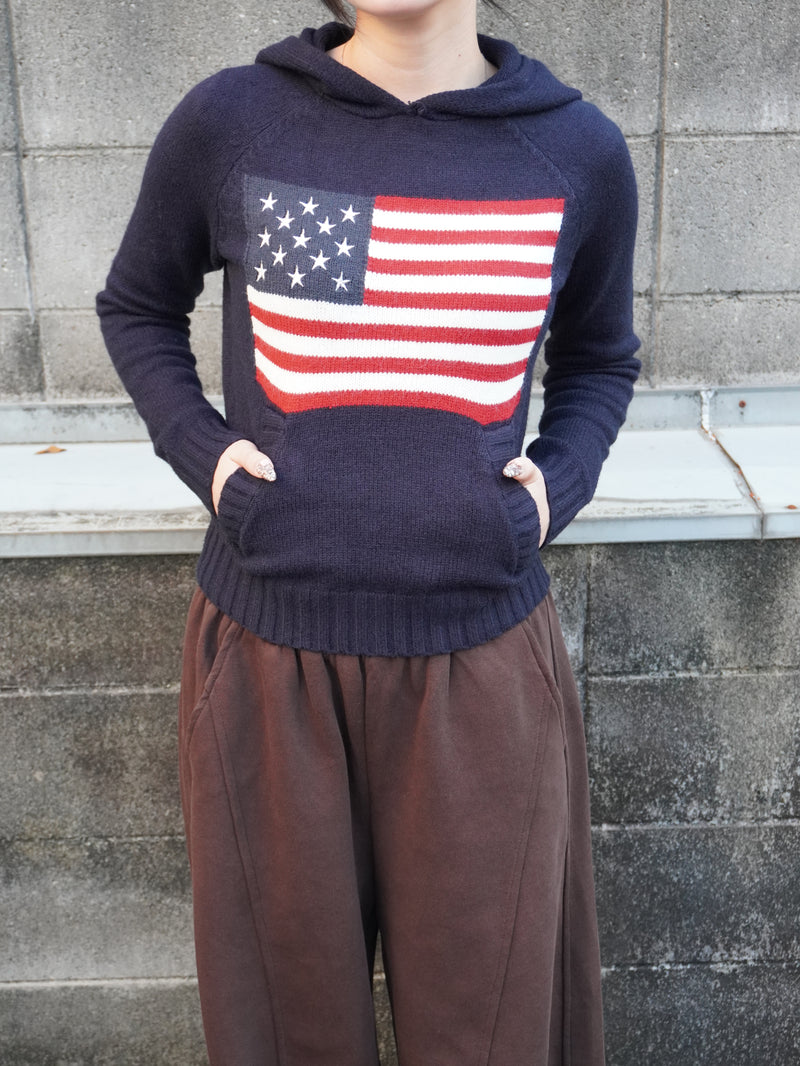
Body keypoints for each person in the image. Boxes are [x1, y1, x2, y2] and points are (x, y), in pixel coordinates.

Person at [97, 0, 640, 1062]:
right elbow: (137, 306)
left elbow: (599, 359)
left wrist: (550, 493)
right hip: (269, 664)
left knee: (490, 1029)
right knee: (284, 1028)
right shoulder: (235, 120)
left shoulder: (575, 150)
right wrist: (206, 455)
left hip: (481, 670)